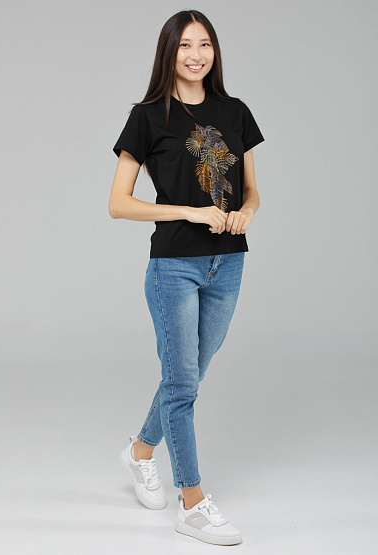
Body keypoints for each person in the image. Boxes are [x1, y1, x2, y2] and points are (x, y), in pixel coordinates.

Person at [111, 9, 265, 546]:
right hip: (174, 265)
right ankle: (193, 503)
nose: (196, 55)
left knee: (190, 375)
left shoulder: (235, 111)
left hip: (229, 262)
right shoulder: (148, 116)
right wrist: (190, 212)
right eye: (185, 46)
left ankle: (140, 452)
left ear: (214, 51)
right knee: (182, 382)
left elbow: (252, 191)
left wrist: (246, 213)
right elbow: (118, 204)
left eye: (205, 45)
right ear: (168, 53)